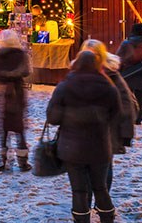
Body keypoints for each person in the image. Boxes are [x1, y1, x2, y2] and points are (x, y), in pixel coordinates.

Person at [46, 49, 121, 223]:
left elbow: (53, 118)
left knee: (79, 190)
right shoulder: (109, 86)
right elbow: (116, 116)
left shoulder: (65, 86)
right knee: (100, 187)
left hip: (72, 149)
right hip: (100, 146)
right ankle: (107, 218)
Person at [82, 39, 136, 191]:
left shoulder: (112, 75)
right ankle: (86, 203)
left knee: (104, 167)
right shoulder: (77, 74)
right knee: (85, 168)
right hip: (83, 131)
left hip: (106, 131)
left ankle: (102, 202)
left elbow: (126, 105)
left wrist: (123, 132)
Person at [0, 29, 32, 172]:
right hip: (17, 91)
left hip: (2, 92)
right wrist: (14, 74)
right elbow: (26, 71)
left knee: (3, 128)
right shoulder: (21, 55)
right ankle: (22, 162)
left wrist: (3, 75)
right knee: (19, 128)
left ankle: (2, 161)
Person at [116, 23, 142, 124]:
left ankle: (129, 115)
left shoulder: (126, 43)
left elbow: (118, 57)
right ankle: (139, 117)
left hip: (128, 72)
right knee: (140, 96)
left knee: (128, 96)